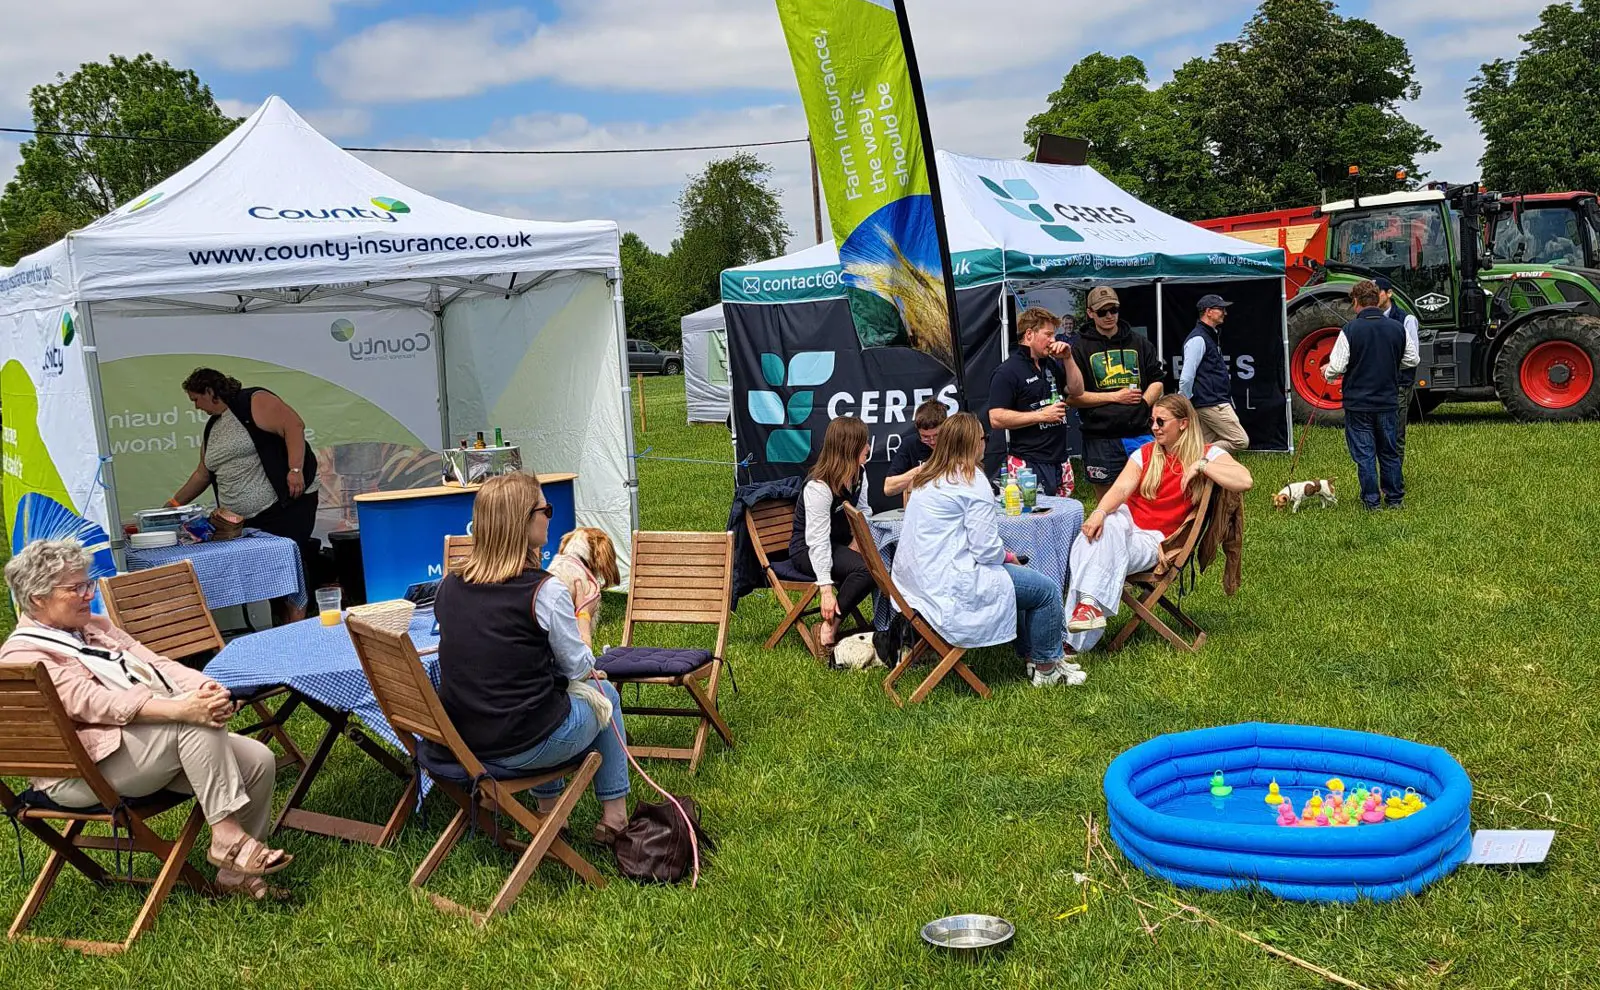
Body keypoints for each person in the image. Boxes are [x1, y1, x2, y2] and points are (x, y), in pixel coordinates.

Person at [0, 539, 289, 901]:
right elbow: (93, 702)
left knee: (257, 760)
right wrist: (181, 709)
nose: (89, 595)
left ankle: (235, 875)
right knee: (191, 722)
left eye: (89, 583)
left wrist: (206, 688)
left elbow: (155, 664)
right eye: (76, 588)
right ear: (38, 598)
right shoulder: (23, 655)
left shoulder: (94, 627)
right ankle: (227, 836)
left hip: (133, 748)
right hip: (83, 773)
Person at [431, 473, 630, 844]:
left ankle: (549, 813)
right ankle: (614, 818)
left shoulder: (449, 586)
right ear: (522, 522)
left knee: (541, 700)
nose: (550, 516)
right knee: (606, 696)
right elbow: (579, 668)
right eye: (545, 509)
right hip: (523, 745)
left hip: (466, 742)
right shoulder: (544, 591)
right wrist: (583, 620)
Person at [892, 413, 1081, 687]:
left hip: (917, 582)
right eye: (984, 438)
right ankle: (1046, 668)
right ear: (974, 443)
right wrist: (1008, 557)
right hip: (950, 584)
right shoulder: (971, 480)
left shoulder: (929, 478)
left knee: (1022, 581)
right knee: (1045, 590)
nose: (986, 443)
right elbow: (985, 550)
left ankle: (1035, 656)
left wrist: (1004, 559)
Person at [1065, 395, 1253, 651]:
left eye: (1161, 421)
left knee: (1089, 544)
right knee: (1101, 528)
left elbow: (1245, 480)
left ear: (1183, 423)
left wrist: (1202, 465)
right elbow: (1120, 489)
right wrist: (1098, 512)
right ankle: (1086, 609)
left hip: (1156, 541)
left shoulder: (1208, 453)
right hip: (1125, 530)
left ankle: (1070, 641)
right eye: (1152, 421)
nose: (1154, 427)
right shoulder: (1145, 454)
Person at [171, 368, 321, 622]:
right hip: (245, 520)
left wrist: (295, 470)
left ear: (209, 391)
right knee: (270, 576)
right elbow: (202, 475)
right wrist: (172, 505)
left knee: (289, 564)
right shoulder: (213, 426)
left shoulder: (253, 400)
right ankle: (281, 627)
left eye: (196, 399)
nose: (196, 407)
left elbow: (294, 425)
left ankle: (299, 625)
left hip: (284, 507)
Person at [1323, 279, 1418, 510]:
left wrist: (1327, 372)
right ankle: (1395, 499)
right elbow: (1412, 359)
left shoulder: (1350, 330)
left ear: (1356, 301)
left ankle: (1371, 501)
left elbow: (1336, 367)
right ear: (1377, 299)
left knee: (1365, 454)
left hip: (1358, 404)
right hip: (1388, 400)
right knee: (1390, 451)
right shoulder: (1397, 328)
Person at [1069, 286, 1165, 497]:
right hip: (1100, 437)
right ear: (1090, 313)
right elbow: (1072, 397)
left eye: (1113, 310)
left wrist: (1143, 405)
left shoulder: (1139, 342)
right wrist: (1115, 397)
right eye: (1102, 311)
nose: (1109, 316)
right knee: (1107, 499)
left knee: (1151, 492)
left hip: (1139, 432)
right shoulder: (1079, 348)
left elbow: (1157, 381)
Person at [789, 416, 873, 658]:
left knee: (882, 564)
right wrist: (825, 590)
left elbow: (863, 512)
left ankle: (887, 624)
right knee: (866, 570)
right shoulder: (819, 486)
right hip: (807, 550)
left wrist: (856, 544)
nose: (868, 447)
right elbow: (817, 541)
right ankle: (828, 628)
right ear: (849, 447)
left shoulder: (859, 473)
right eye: (864, 443)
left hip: (838, 544)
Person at [987, 306, 1085, 495]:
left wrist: (1068, 358)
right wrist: (1041, 415)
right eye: (1048, 334)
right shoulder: (1007, 371)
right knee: (1033, 512)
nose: (1053, 340)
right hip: (1028, 461)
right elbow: (996, 418)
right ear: (1029, 334)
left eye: (1054, 335)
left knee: (1063, 511)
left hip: (1059, 459)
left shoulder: (1050, 365)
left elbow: (1077, 390)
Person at [1179, 294, 1250, 452]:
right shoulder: (1198, 339)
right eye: (1221, 309)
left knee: (1206, 442)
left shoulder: (1208, 336)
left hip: (1208, 400)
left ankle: (1196, 459)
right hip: (1212, 402)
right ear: (1208, 312)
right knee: (1240, 440)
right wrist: (1185, 401)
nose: (1225, 313)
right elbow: (1186, 377)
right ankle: (1195, 454)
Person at [1374, 277, 1422, 455]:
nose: (1373, 297)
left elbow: (1412, 357)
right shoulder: (1370, 319)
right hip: (1378, 385)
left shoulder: (1406, 319)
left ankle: (1395, 471)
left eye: (1377, 292)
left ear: (1389, 293)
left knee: (1395, 434)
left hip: (1399, 384)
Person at [883, 399, 948, 500]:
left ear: (946, 428)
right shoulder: (910, 444)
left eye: (937, 435)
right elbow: (888, 488)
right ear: (917, 431)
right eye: (925, 437)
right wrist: (921, 471)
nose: (932, 441)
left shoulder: (956, 442)